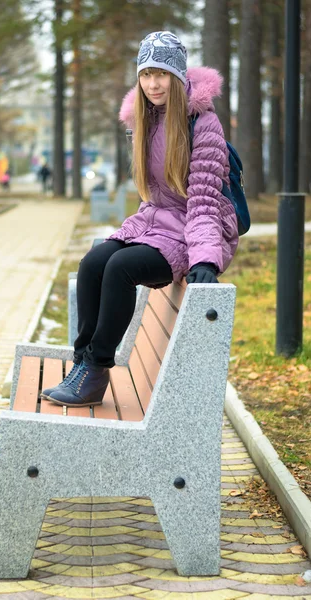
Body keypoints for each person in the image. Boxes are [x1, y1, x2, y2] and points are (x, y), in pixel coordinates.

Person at [42, 30, 238, 408]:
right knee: (94, 262)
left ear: (177, 77)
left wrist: (206, 259)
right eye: (146, 75)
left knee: (120, 267)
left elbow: (203, 203)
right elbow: (153, 196)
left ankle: (96, 371)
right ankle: (82, 363)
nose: (153, 84)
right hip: (157, 222)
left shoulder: (202, 124)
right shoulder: (144, 120)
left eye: (161, 74)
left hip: (191, 231)